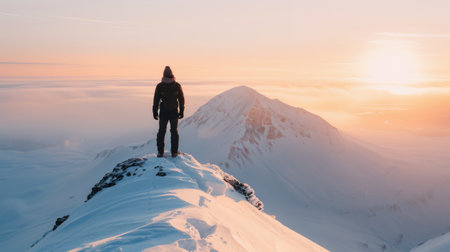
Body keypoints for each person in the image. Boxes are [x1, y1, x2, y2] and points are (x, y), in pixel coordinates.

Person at [153, 66, 185, 157]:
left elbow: (156, 100)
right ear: (172, 74)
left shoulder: (160, 86)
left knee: (161, 131)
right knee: (174, 132)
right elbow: (181, 99)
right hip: (174, 112)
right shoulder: (177, 85)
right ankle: (174, 152)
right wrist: (181, 111)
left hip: (163, 112)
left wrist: (154, 112)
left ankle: (160, 152)